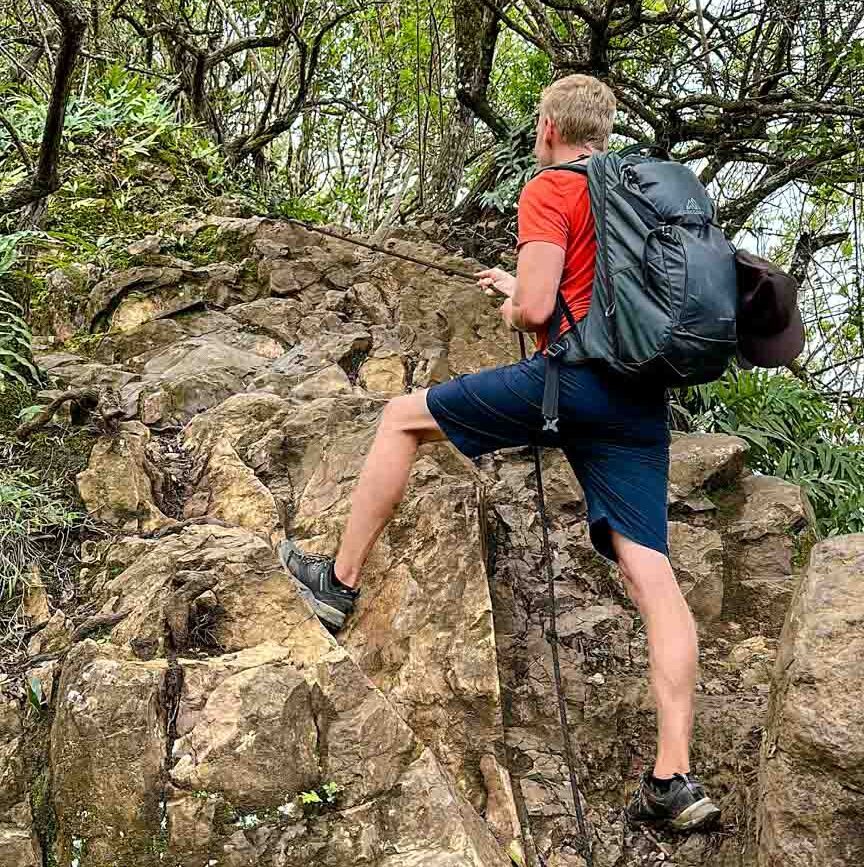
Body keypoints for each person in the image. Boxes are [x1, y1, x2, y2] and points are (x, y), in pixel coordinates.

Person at [279, 74, 721, 832]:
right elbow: (593, 291)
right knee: (653, 572)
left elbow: (540, 308)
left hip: (569, 385)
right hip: (639, 399)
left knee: (400, 417)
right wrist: (517, 286)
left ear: (548, 126)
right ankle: (673, 778)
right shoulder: (642, 191)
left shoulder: (551, 187)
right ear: (604, 133)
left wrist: (518, 296)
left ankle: (338, 582)